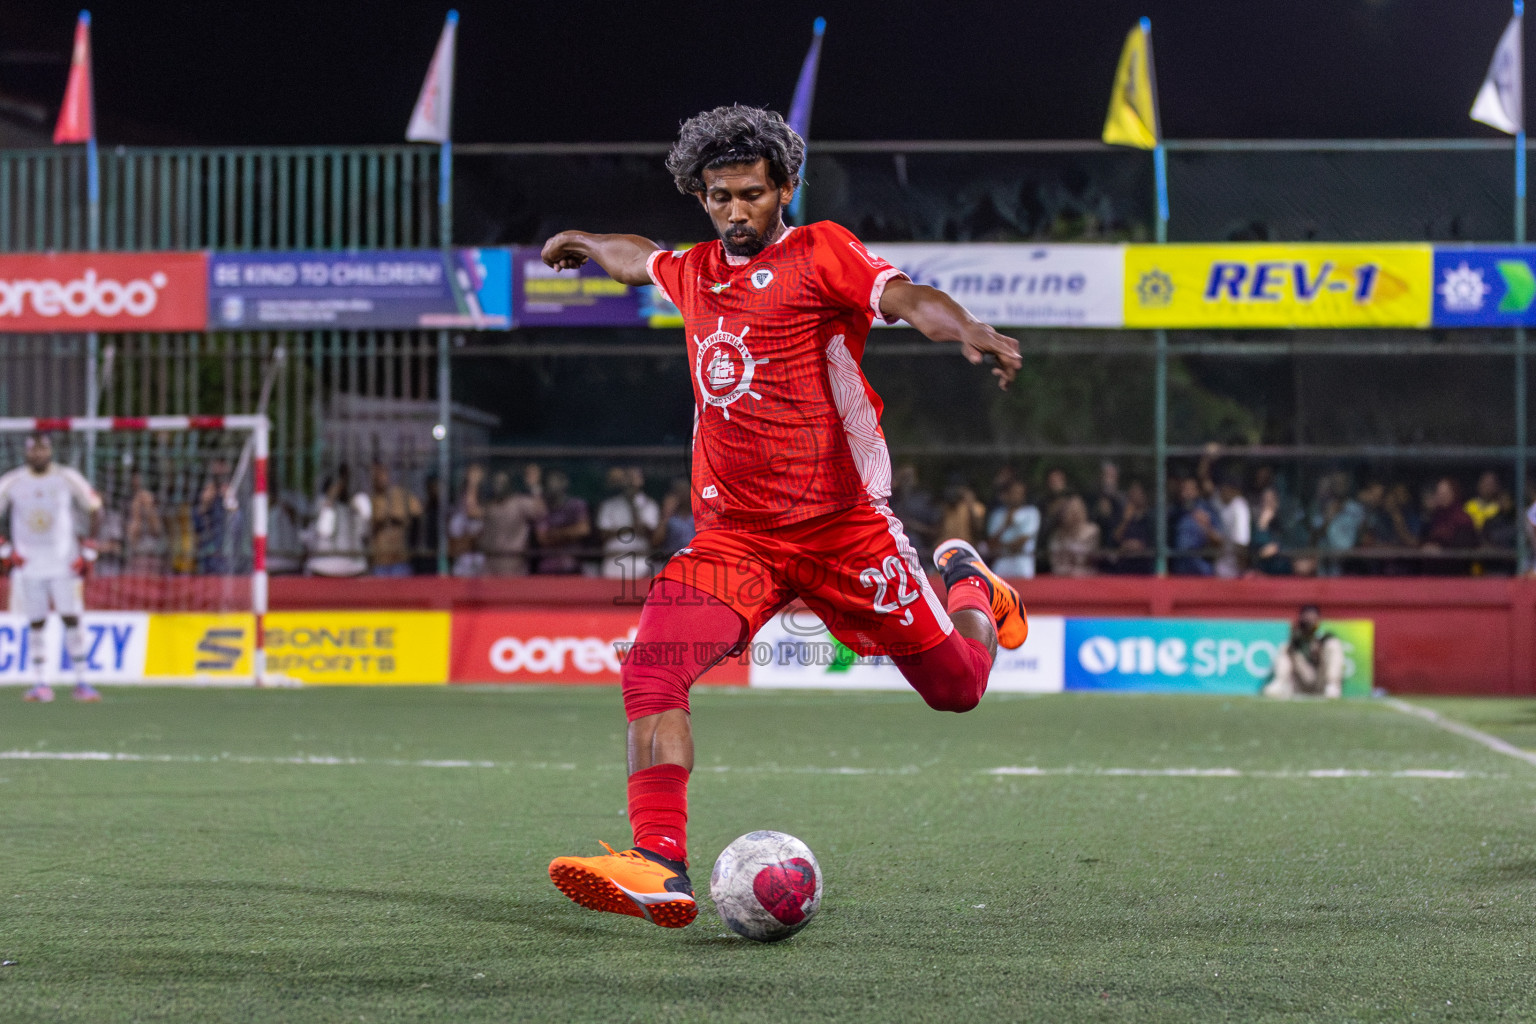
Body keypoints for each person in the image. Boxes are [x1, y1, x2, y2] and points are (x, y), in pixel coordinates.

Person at [539, 104, 1024, 929]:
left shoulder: (819, 251)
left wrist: (964, 327)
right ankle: (660, 860)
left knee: (957, 690)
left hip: (845, 528)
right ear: (701, 196)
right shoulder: (692, 270)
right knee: (652, 668)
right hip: (736, 539)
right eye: (721, 196)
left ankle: (970, 585)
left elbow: (904, 296)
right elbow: (638, 261)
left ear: (785, 188)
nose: (737, 211)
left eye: (753, 195)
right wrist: (586, 239)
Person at [0, 434, 105, 702]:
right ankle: (41, 683)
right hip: (28, 565)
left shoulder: (66, 477)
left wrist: (90, 548)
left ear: (50, 451)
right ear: (26, 453)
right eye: (33, 449)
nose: (38, 454)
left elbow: (96, 507)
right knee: (36, 623)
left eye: (42, 448)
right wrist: (5, 549)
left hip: (64, 563)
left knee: (71, 618)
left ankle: (82, 681)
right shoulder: (12, 481)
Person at [1263, 605, 1345, 699]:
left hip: (1321, 681)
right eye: (1307, 619)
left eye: (1312, 619)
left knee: (1333, 644)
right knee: (1285, 648)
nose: (1310, 622)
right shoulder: (1296, 638)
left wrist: (1318, 647)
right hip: (1300, 682)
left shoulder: (1325, 637)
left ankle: (1332, 686)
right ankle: (1279, 683)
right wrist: (1294, 645)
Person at [481, 465, 546, 577]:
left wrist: (534, 486)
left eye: (502, 482)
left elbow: (540, 510)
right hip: (491, 565)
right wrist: (472, 484)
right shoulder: (491, 506)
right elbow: (472, 512)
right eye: (496, 482)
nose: (499, 486)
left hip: (514, 566)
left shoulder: (519, 502)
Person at [305, 466, 371, 578]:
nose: (341, 487)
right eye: (339, 483)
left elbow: (363, 532)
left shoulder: (353, 506)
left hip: (352, 568)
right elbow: (323, 530)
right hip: (323, 567)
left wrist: (355, 508)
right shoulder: (320, 503)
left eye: (344, 483)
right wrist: (330, 499)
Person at [595, 466, 659, 581]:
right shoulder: (610, 505)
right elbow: (603, 535)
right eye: (628, 477)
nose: (630, 481)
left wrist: (633, 506)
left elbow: (650, 535)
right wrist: (630, 529)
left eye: (634, 477)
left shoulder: (649, 504)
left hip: (640, 561)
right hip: (613, 561)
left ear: (641, 480)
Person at [368, 461, 422, 577]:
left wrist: (399, 519)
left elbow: (419, 512)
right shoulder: (370, 500)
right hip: (380, 562)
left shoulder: (401, 495)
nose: (379, 477)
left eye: (381, 473)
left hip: (400, 560)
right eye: (375, 475)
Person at [535, 469, 591, 574]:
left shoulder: (577, 504)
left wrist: (556, 533)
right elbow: (542, 538)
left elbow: (583, 530)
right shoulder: (542, 507)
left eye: (556, 482)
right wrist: (570, 533)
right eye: (549, 483)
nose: (552, 486)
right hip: (548, 567)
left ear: (564, 483)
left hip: (572, 565)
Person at [1420, 476, 1478, 575]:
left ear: (1454, 494)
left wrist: (1441, 551)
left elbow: (1464, 548)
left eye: (1445, 494)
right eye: (1439, 494)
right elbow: (1423, 540)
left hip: (1455, 574)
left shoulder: (1463, 519)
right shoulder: (1434, 517)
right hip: (1432, 573)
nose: (1441, 497)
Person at [985, 478, 1040, 578]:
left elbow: (1022, 543)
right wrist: (1005, 525)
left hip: (1023, 561)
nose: (1016, 496)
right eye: (1014, 492)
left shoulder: (1031, 513)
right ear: (1007, 494)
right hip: (1002, 561)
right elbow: (990, 545)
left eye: (1019, 493)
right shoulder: (997, 515)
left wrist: (1002, 546)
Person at [1171, 476, 1223, 576]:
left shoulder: (1207, 510)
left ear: (1197, 491)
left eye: (1189, 489)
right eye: (1183, 489)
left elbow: (1219, 540)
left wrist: (1205, 526)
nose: (1185, 493)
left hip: (1201, 569)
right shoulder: (1175, 513)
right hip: (1179, 571)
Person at [449, 463, 487, 577]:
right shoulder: (457, 519)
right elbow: (453, 546)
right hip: (462, 570)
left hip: (481, 568)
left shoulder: (486, 515)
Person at [1047, 494, 1099, 576]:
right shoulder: (1058, 534)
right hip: (1060, 576)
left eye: (1077, 509)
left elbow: (1085, 559)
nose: (1075, 514)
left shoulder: (1092, 531)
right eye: (1071, 510)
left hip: (1084, 577)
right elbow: (1054, 560)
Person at [650, 477, 696, 567]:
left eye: (685, 491)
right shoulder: (670, 517)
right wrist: (667, 513)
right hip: (671, 561)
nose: (682, 495)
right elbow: (655, 541)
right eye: (678, 491)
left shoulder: (698, 515)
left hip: (695, 560)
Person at [1213, 470, 1251, 579]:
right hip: (1220, 566)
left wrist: (1241, 571)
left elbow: (1241, 542)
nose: (1221, 491)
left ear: (1233, 490)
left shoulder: (1239, 507)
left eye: (1224, 489)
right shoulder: (1221, 502)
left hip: (1233, 570)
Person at [936, 478, 987, 548]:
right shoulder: (947, 507)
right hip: (946, 546)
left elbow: (979, 528)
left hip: (966, 547)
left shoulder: (976, 507)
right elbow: (938, 530)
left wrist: (970, 502)